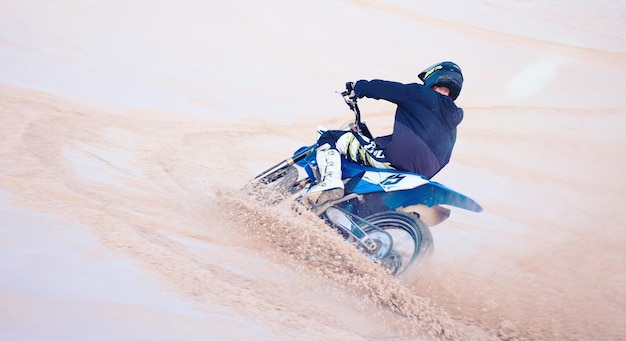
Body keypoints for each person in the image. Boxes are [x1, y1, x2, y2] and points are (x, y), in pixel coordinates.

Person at [303, 61, 465, 206]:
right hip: (420, 175)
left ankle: (331, 182)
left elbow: (385, 89)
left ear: (434, 77)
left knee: (330, 137)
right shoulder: (453, 124)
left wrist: (358, 87)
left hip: (397, 161)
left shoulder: (421, 93)